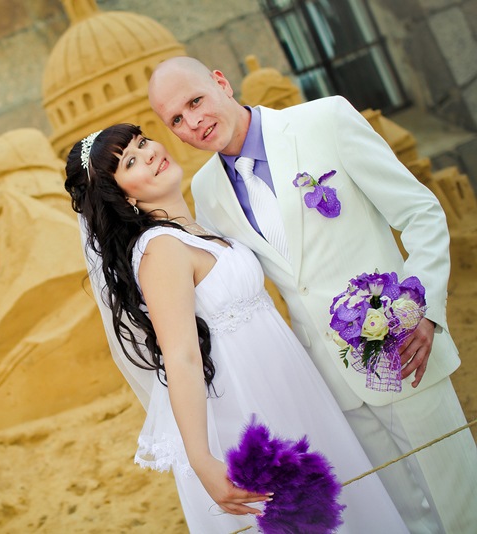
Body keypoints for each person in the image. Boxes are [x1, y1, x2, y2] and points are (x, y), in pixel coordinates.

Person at [147, 56, 477, 533]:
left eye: (195, 101)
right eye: (176, 119)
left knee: (462, 506)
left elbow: (421, 213)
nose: (193, 122)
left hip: (405, 352)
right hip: (327, 385)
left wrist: (420, 311)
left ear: (221, 82)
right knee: (403, 519)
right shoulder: (206, 191)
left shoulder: (325, 120)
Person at [65, 123, 407, 532]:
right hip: (243, 403)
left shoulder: (196, 229)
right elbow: (181, 355)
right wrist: (202, 460)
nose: (150, 152)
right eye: (131, 162)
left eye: (142, 142)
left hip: (286, 384)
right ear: (123, 196)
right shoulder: (161, 249)